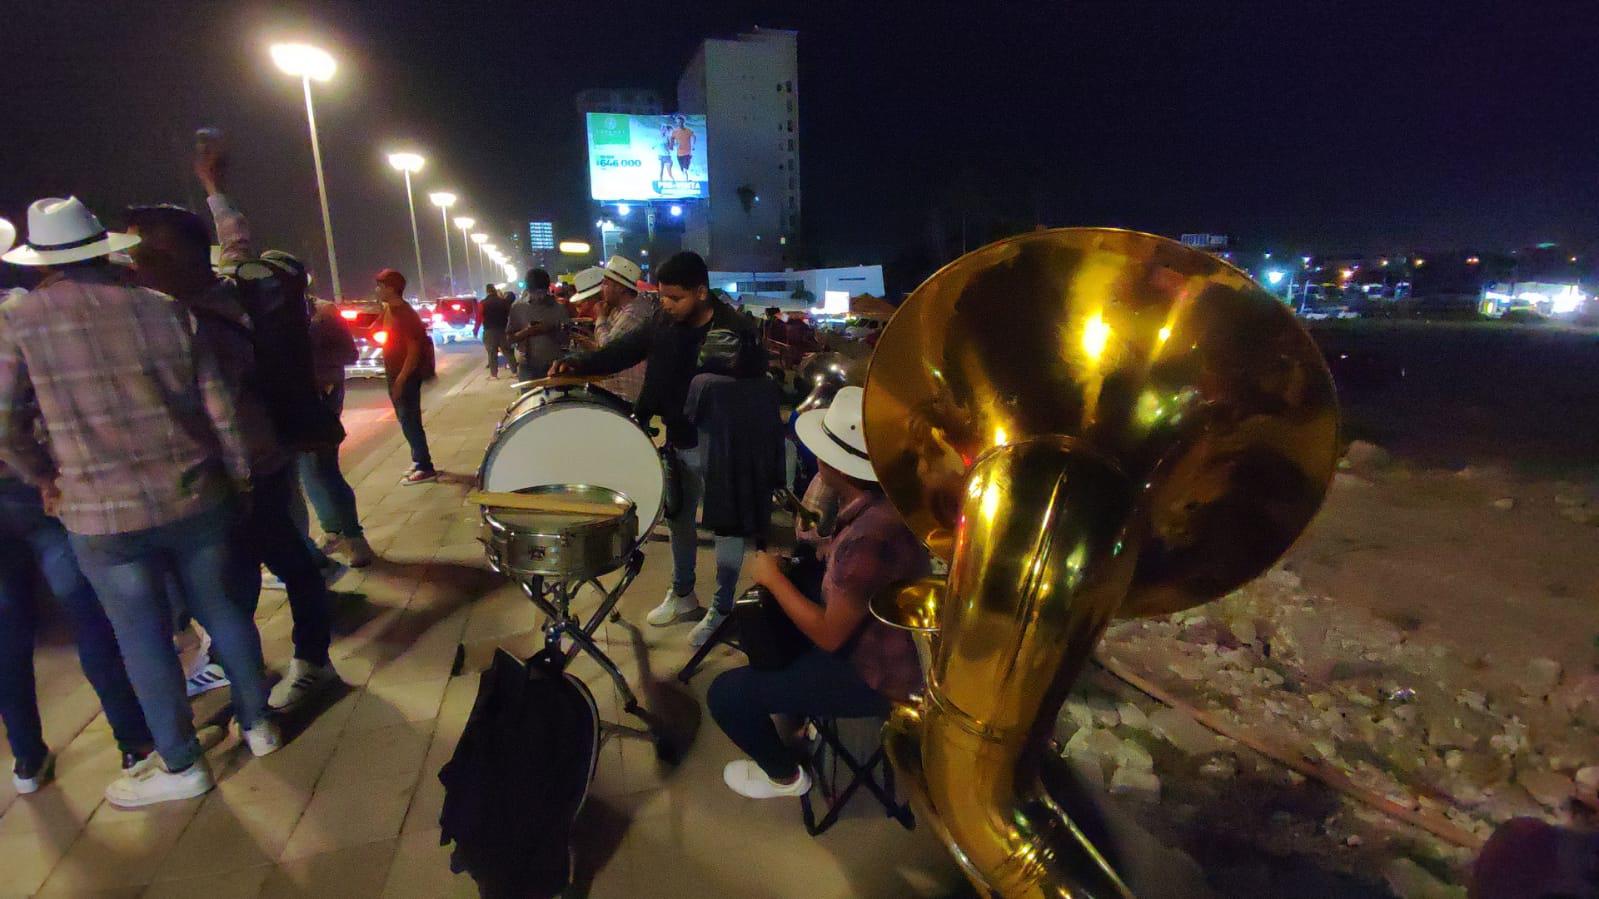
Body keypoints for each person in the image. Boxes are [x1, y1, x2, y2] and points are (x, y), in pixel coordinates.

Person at [0, 196, 276, 808]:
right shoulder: (165, 310)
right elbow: (219, 409)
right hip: (194, 494)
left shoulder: (21, 322)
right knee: (222, 608)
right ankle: (259, 725)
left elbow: (4, 426)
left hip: (101, 512)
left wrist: (44, 478)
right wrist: (238, 478)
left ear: (43, 260)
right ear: (103, 247)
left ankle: (181, 763)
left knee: (143, 635)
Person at [124, 146, 340, 713]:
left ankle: (306, 663)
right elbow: (235, 243)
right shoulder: (222, 290)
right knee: (260, 571)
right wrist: (214, 187)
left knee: (268, 569)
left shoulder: (189, 319)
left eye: (142, 251)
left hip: (242, 467)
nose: (133, 263)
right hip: (239, 465)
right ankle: (245, 663)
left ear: (176, 258)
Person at [707, 386, 930, 799]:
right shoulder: (884, 507)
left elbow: (830, 635)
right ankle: (797, 716)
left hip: (875, 677)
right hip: (879, 649)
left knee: (725, 695)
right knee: (772, 629)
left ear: (839, 466)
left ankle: (786, 777)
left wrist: (772, 577)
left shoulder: (868, 537)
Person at [0, 217, 155, 794]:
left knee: (6, 627)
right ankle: (134, 739)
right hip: (30, 489)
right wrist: (42, 474)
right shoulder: (17, 316)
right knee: (89, 610)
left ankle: (26, 759)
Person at [551, 251, 765, 646]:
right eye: (662, 297)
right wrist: (580, 363)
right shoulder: (666, 320)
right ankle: (683, 593)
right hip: (680, 438)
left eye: (674, 298)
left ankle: (722, 609)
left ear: (701, 292)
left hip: (723, 445)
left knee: (726, 528)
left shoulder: (734, 330)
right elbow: (627, 348)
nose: (664, 305)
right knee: (679, 516)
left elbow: (754, 395)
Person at [302, 294, 374, 566]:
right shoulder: (270, 311)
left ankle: (355, 537)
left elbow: (350, 353)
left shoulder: (323, 313)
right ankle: (333, 531)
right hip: (292, 403)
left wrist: (313, 358)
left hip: (322, 399)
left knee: (325, 469)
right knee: (307, 472)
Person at [376, 269, 437, 485]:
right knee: (405, 419)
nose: (377, 290)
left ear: (391, 288)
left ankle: (425, 465)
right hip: (394, 373)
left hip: (406, 376)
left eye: (380, 286)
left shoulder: (404, 313)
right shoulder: (388, 310)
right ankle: (418, 459)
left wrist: (401, 380)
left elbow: (414, 350)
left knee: (410, 419)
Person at [572, 262, 654, 404]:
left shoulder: (634, 311)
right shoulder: (618, 309)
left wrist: (600, 317)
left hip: (626, 396)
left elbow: (608, 347)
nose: (603, 289)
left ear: (620, 288)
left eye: (606, 284)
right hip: (615, 390)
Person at [507, 269, 570, 382]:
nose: (540, 297)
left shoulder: (558, 308)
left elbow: (566, 339)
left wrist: (550, 329)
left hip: (553, 366)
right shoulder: (518, 308)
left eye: (543, 292)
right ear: (528, 290)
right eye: (536, 293)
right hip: (527, 367)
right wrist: (528, 331)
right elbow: (509, 339)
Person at [476, 283, 515, 378]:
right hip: (503, 330)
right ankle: (515, 372)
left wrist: (476, 329)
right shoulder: (503, 302)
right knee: (508, 352)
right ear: (494, 290)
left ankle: (494, 375)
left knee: (492, 353)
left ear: (487, 291)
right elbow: (510, 315)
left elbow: (479, 318)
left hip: (489, 331)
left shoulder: (483, 303)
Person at [672, 115, 696, 179]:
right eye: (678, 122)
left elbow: (694, 137)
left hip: (687, 153)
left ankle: (686, 179)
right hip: (679, 154)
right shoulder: (675, 131)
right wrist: (673, 145)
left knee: (685, 168)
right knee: (682, 169)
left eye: (680, 122)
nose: (679, 123)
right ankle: (684, 178)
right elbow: (672, 139)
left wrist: (693, 146)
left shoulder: (688, 130)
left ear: (683, 122)